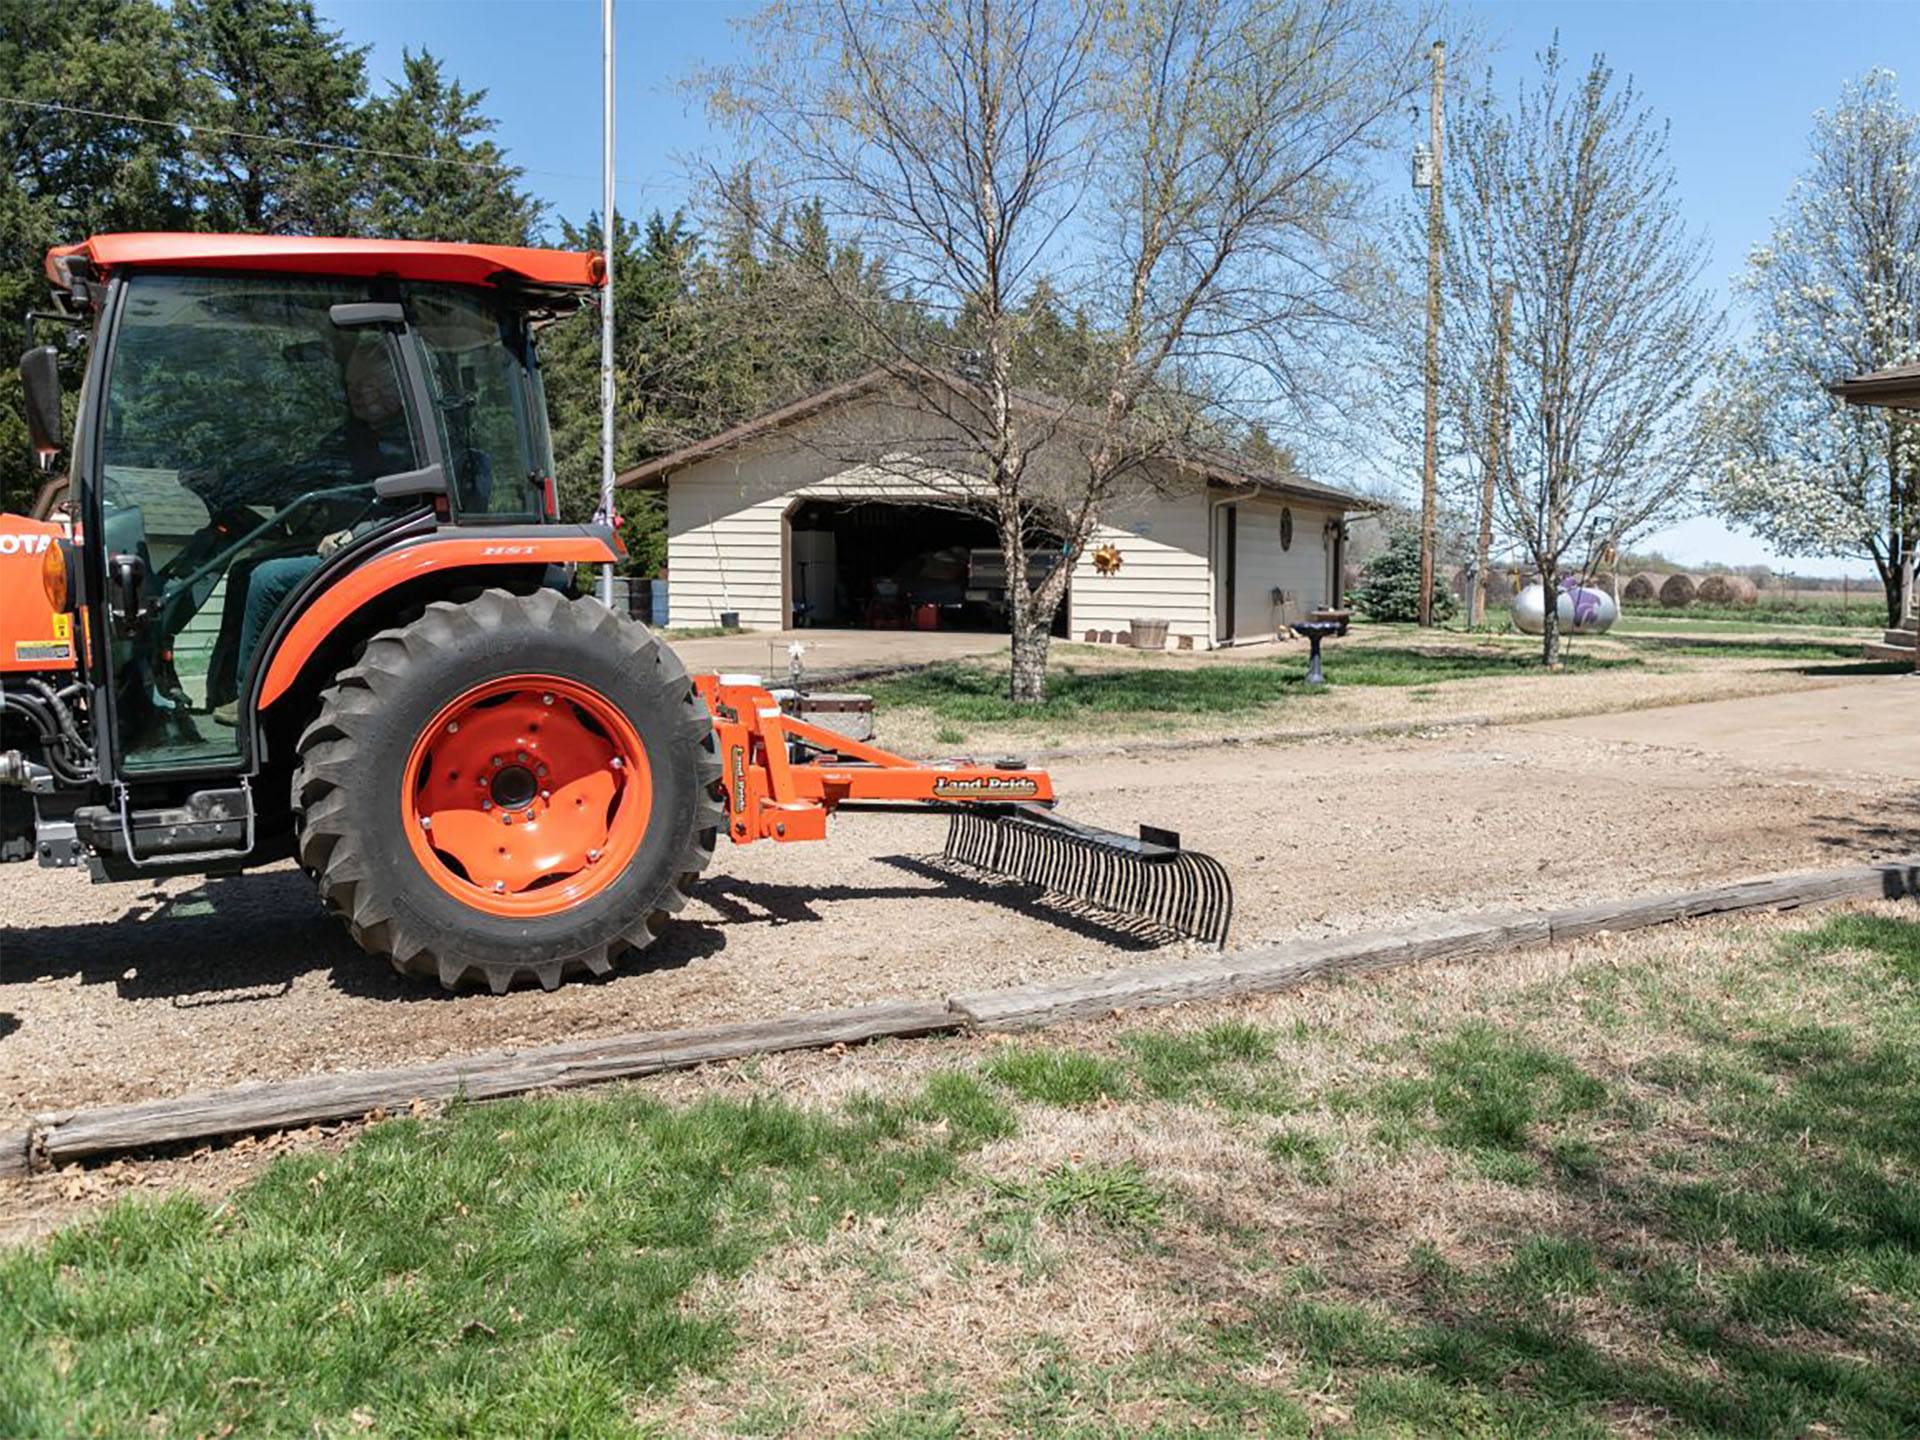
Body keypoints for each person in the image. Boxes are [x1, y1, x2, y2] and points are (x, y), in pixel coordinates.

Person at [211, 340, 413, 725]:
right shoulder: (355, 436)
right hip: (349, 542)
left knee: (266, 580)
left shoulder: (412, 439)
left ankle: (249, 699)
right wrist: (233, 484)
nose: (359, 395)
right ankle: (222, 691)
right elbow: (304, 473)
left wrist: (358, 536)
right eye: (353, 387)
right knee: (244, 568)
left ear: (395, 385)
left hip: (380, 549)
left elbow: (421, 505)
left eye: (368, 386)